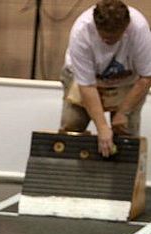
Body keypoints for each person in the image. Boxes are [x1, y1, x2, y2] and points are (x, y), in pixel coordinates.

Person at [60, 0, 151, 157]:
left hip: (127, 81)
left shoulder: (140, 29)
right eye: (104, 38)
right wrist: (102, 127)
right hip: (84, 79)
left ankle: (123, 180)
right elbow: (87, 85)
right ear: (95, 25)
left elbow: (146, 77)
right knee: (72, 126)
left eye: (114, 38)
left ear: (126, 27)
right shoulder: (81, 31)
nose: (108, 42)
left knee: (126, 132)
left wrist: (123, 112)